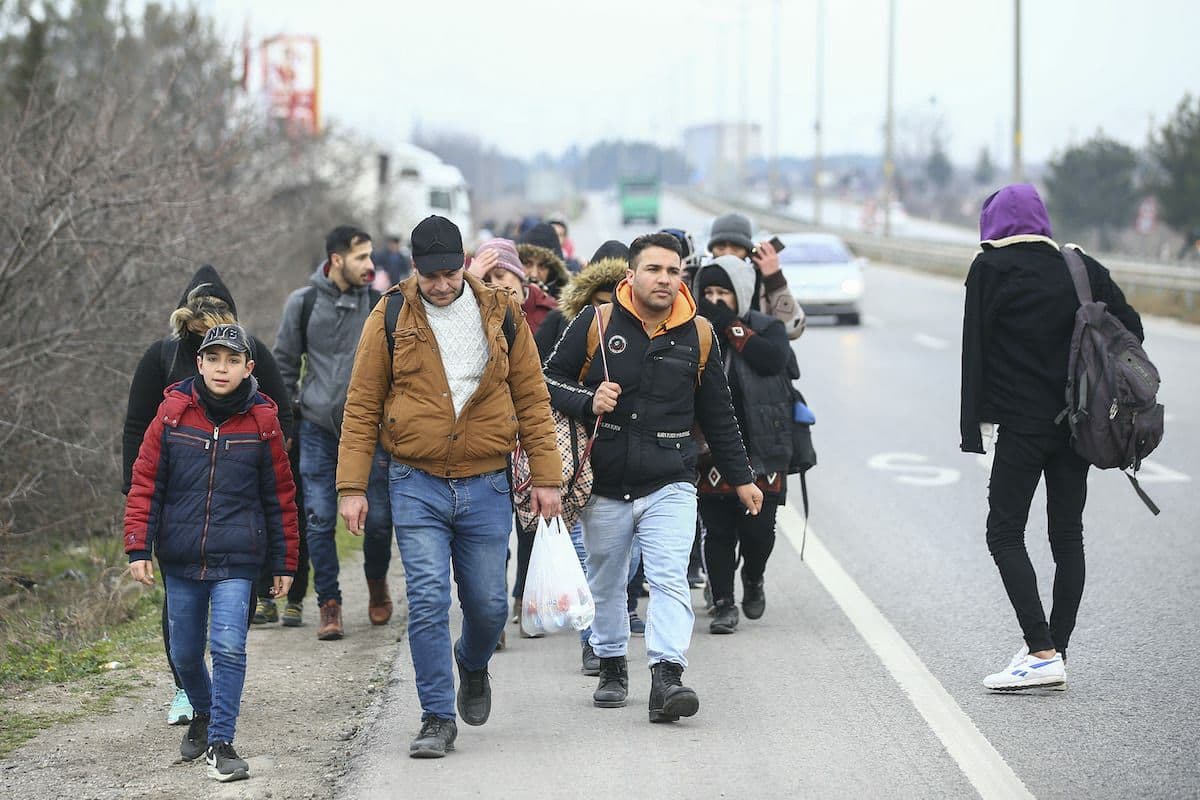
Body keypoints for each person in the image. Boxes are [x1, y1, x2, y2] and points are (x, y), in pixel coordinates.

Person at [336, 215, 561, 758]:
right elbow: (363, 405)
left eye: (450, 272)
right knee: (430, 599)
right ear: (415, 268)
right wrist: (352, 486)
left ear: (465, 262)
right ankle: (436, 717)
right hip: (416, 481)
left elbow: (532, 398)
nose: (441, 285)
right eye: (430, 275)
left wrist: (548, 476)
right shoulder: (389, 315)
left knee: (486, 604)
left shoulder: (503, 313)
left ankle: (473, 662)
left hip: (486, 482)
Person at [543, 232, 762, 723]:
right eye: (654, 270)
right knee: (607, 581)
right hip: (605, 480)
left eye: (673, 271)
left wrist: (741, 476)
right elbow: (547, 378)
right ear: (632, 276)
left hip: (671, 478)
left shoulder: (698, 332)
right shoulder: (597, 322)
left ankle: (667, 676)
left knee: (667, 578)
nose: (664, 279)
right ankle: (613, 664)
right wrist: (588, 399)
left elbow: (720, 414)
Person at [960, 184, 1143, 691]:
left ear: (993, 225)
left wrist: (974, 427)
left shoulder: (989, 270)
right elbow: (1132, 330)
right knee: (1066, 536)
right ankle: (1054, 648)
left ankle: (1040, 650)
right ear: (1040, 220)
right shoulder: (1078, 266)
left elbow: (974, 351)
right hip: (1078, 426)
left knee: (1004, 533)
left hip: (1021, 427)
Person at [121, 265, 299, 726]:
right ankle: (192, 694)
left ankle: (220, 728)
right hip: (181, 529)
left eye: (231, 358)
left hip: (239, 531)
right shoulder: (166, 381)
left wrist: (281, 553)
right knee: (183, 643)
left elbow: (280, 481)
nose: (223, 367)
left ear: (246, 363)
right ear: (198, 356)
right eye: (211, 354)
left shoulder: (260, 415)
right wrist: (140, 527)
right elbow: (139, 443)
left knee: (227, 640)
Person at [274, 226, 395, 640]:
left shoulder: (381, 306)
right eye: (362, 257)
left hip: (371, 433)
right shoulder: (303, 303)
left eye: (371, 256)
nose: (371, 266)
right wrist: (286, 421)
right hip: (317, 430)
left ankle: (377, 584)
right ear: (337, 259)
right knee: (319, 517)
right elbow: (284, 365)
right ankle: (330, 602)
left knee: (378, 520)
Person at [693, 256, 794, 634]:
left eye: (725, 293)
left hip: (762, 449)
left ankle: (753, 577)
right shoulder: (696, 331)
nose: (716, 301)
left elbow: (773, 360)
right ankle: (723, 604)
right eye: (709, 293)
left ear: (742, 294)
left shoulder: (766, 327)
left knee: (758, 533)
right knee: (717, 531)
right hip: (711, 449)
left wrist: (732, 327)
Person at [707, 212, 806, 340]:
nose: (728, 254)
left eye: (735, 250)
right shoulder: (700, 281)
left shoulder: (760, 282)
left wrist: (775, 279)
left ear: (747, 253)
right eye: (721, 249)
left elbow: (793, 329)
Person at [534, 241, 629, 360]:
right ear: (587, 297)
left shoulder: (642, 331)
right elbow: (534, 370)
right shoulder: (558, 320)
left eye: (617, 305)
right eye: (601, 303)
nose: (608, 312)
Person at [468, 237, 557, 334]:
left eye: (500, 275)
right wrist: (470, 283)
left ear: (517, 273)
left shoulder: (550, 310)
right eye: (485, 280)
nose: (493, 283)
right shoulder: (478, 313)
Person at [518, 223, 572, 298]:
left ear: (552, 272)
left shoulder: (559, 307)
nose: (534, 274)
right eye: (527, 264)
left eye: (542, 266)